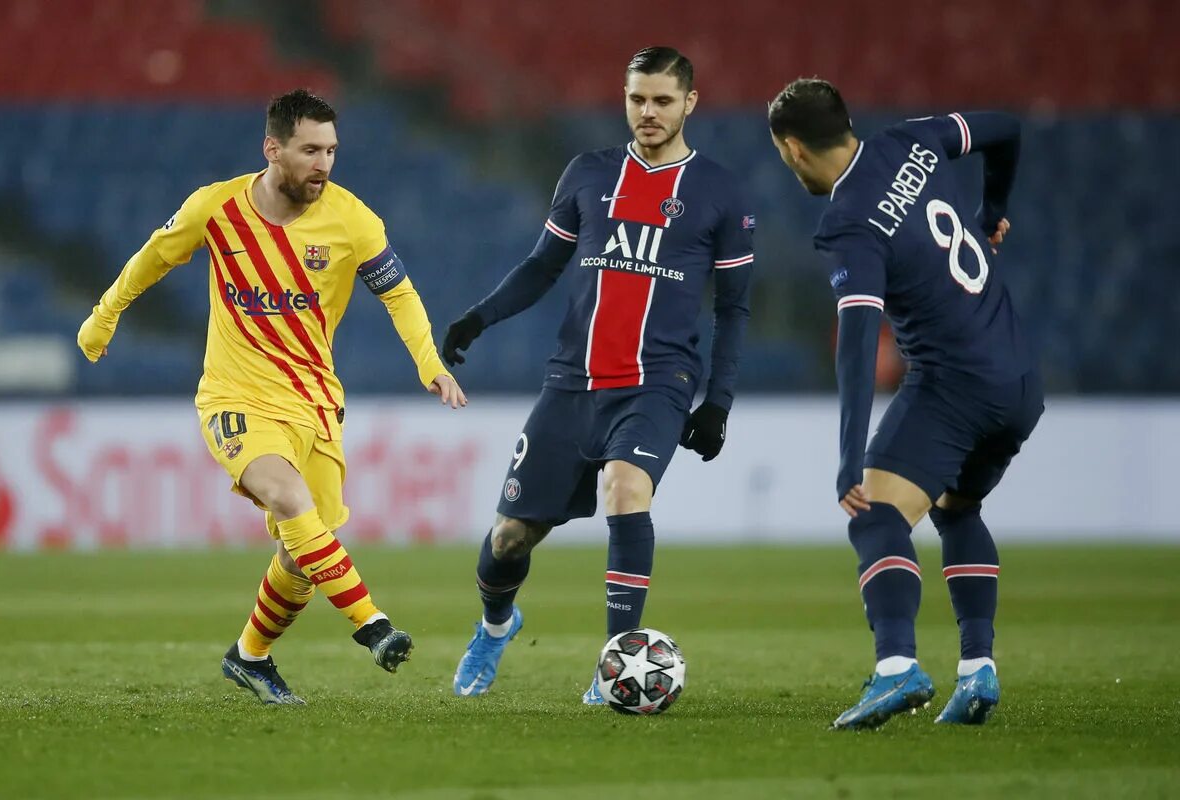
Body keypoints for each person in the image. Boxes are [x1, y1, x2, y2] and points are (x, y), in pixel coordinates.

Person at [76, 89, 466, 705]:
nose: (324, 164)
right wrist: (105, 315)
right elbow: (153, 258)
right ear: (273, 148)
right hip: (234, 398)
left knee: (303, 550)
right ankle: (373, 624)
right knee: (289, 499)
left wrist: (429, 362)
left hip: (314, 404)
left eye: (332, 150)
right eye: (311, 149)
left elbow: (400, 294)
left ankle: (250, 656)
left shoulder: (352, 220)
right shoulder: (217, 207)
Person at [441, 46, 754, 703]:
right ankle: (496, 627)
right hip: (572, 385)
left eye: (663, 100)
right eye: (637, 98)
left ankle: (615, 665)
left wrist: (717, 401)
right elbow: (540, 266)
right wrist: (478, 318)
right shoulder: (588, 174)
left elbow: (733, 308)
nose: (648, 111)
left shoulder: (719, 192)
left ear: (690, 103)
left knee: (625, 488)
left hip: (657, 383)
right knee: (509, 536)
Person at [767, 78, 1043, 728]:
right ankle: (978, 671)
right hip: (1020, 377)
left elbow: (859, 345)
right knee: (957, 507)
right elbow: (1006, 124)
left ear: (794, 149)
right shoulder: (910, 141)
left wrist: (847, 462)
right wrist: (990, 208)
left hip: (954, 384)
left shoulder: (849, 223)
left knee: (876, 515)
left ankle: (896, 667)